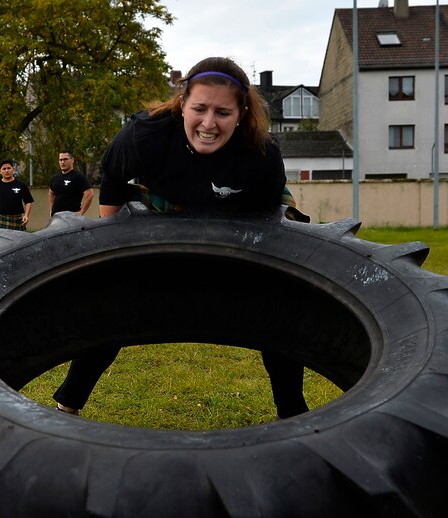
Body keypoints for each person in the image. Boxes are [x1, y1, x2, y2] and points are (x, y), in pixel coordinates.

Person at [53, 56, 310, 420]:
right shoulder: (146, 134)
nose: (208, 123)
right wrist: (112, 243)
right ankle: (68, 403)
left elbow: (271, 220)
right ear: (182, 104)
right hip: (164, 209)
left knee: (280, 305)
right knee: (113, 304)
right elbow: (112, 174)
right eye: (199, 109)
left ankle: (292, 411)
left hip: (238, 215)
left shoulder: (262, 155)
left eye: (223, 112)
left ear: (242, 113)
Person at [0, 159, 34, 230]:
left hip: (17, 219)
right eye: (4, 169)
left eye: (9, 168)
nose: (7, 171)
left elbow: (28, 202)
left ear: (13, 169)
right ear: (0, 171)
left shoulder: (21, 185)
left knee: (20, 241)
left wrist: (26, 215)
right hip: (1, 219)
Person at [48, 150, 94, 217]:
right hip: (56, 218)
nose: (62, 162)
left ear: (72, 160)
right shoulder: (55, 178)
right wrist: (51, 210)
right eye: (60, 160)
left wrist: (81, 212)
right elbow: (51, 193)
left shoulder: (78, 177)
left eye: (65, 159)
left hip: (71, 218)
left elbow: (89, 194)